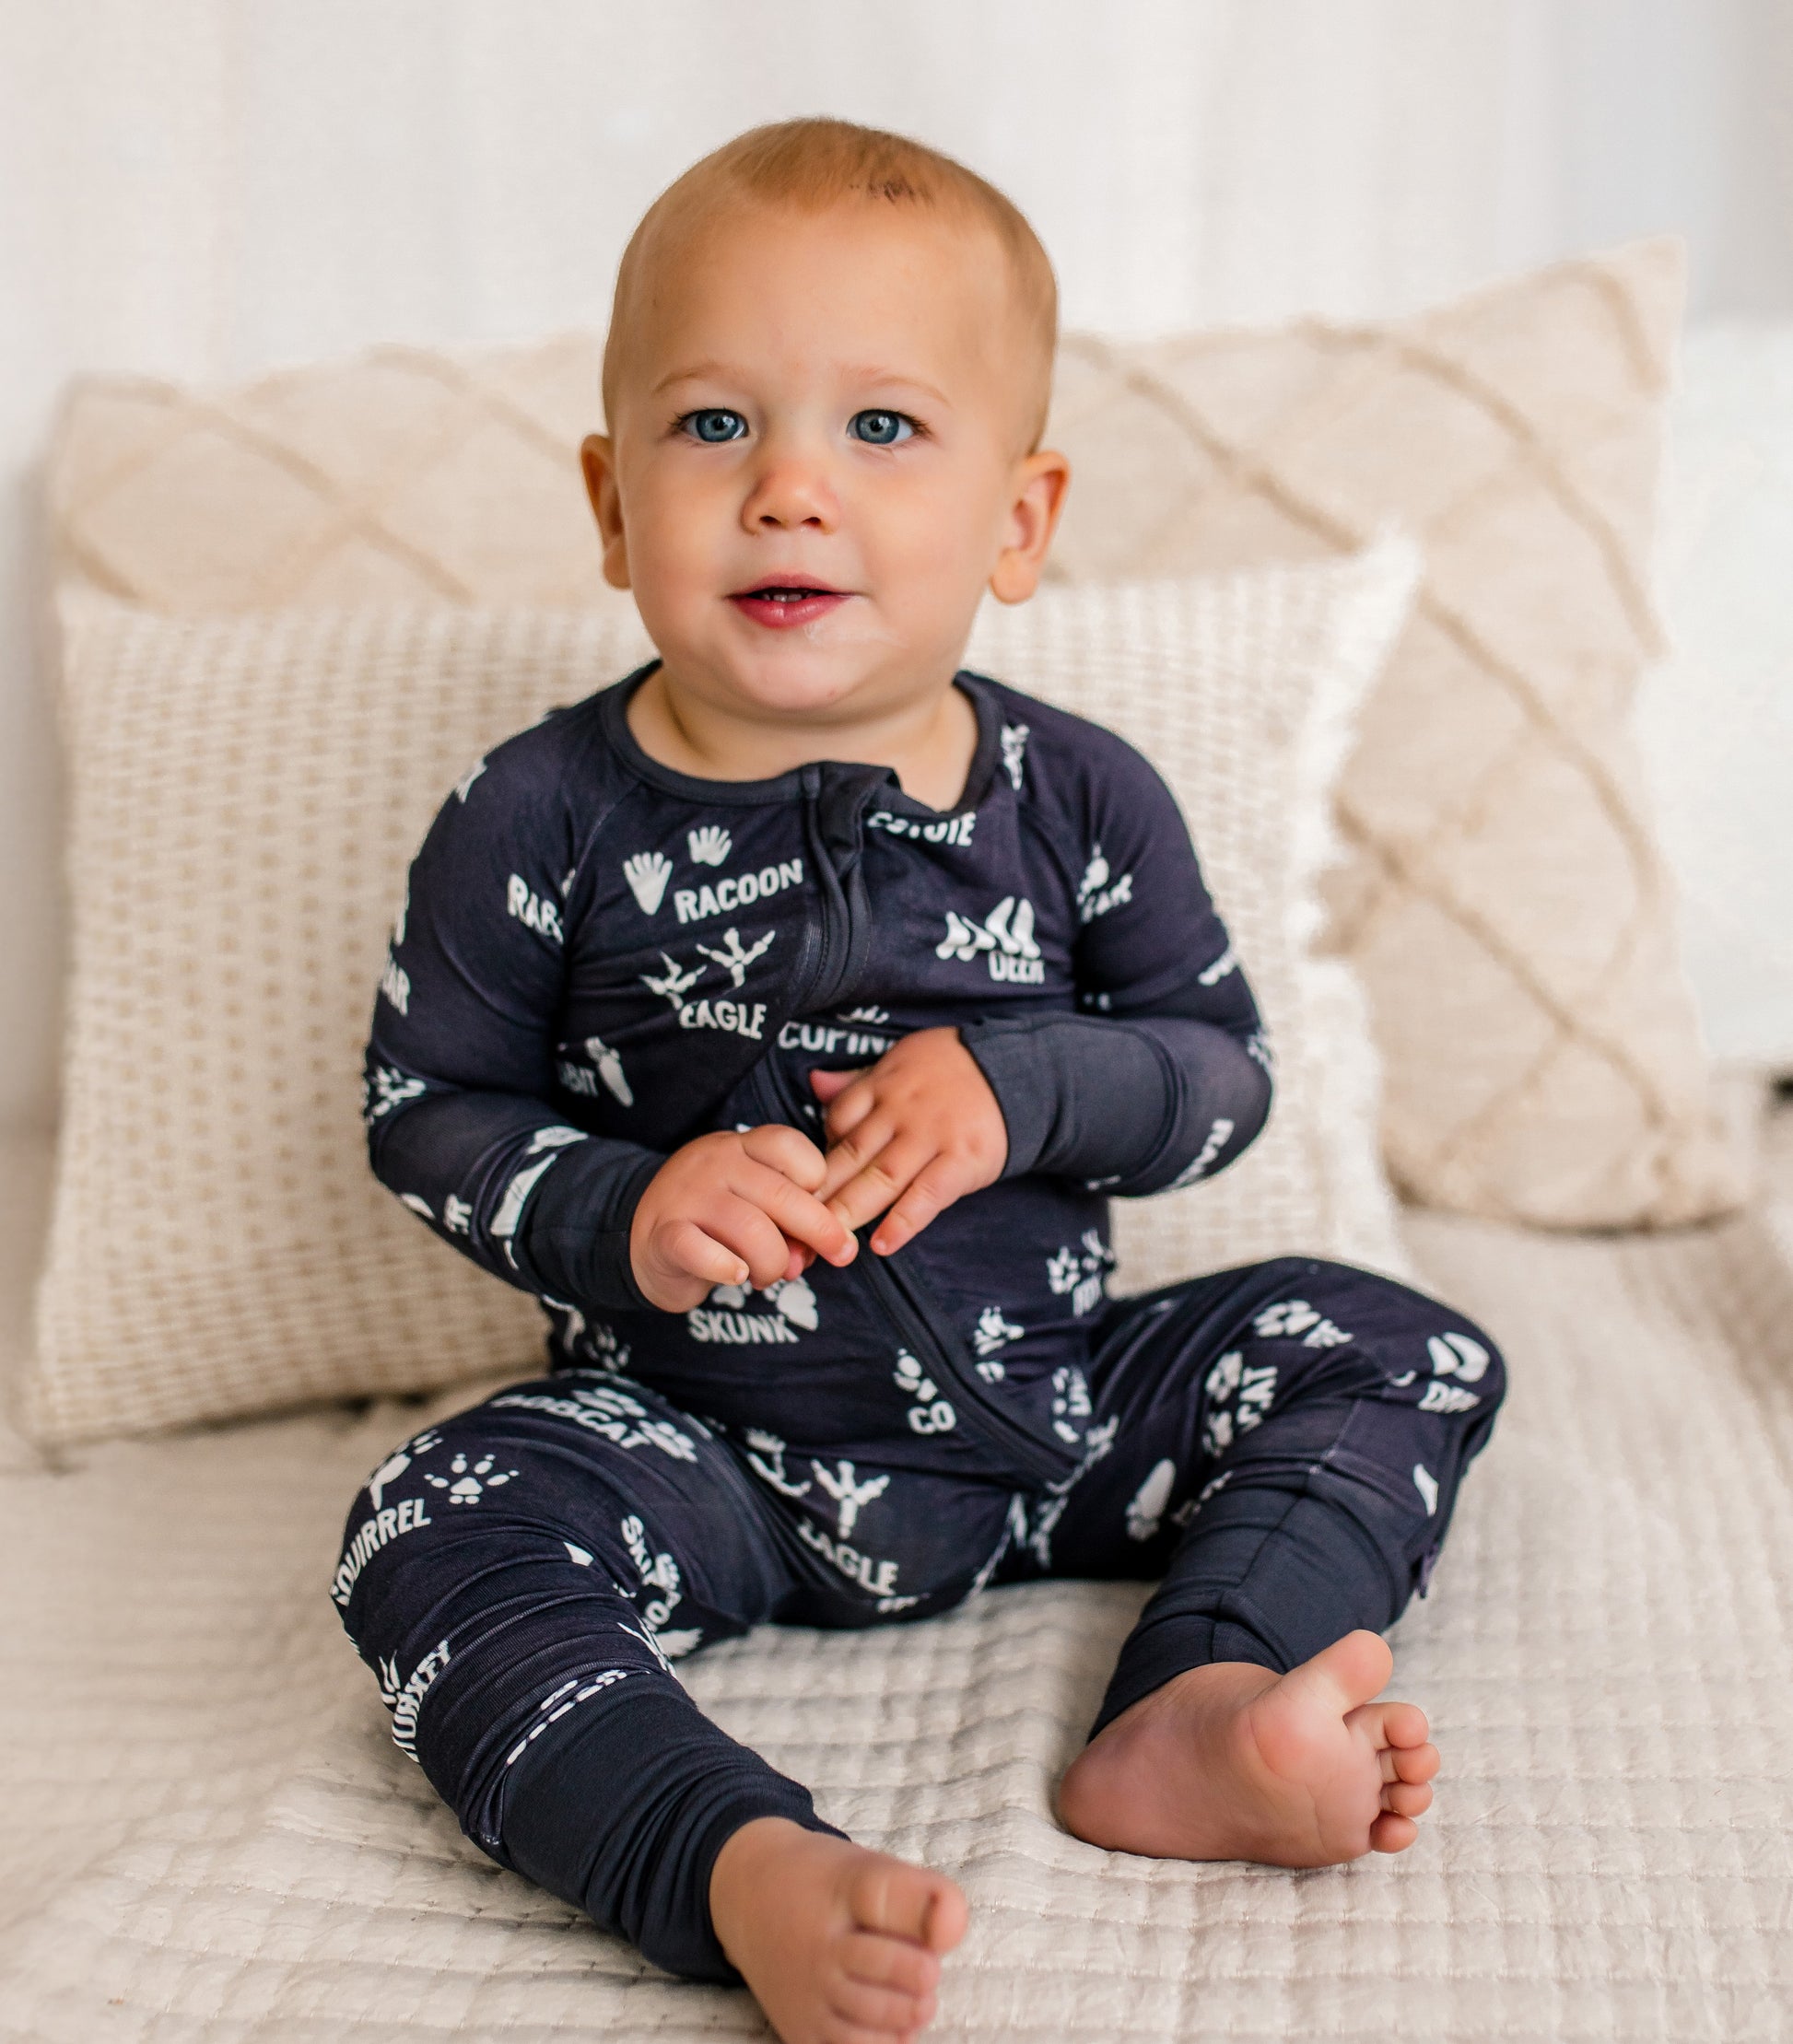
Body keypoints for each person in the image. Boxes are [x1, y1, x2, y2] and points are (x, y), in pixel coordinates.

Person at [333, 117, 1505, 2044]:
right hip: (700, 1452)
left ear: (1020, 520)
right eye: (714, 427)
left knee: (1402, 1346)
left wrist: (1024, 1087)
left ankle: (1193, 1706)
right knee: (422, 1521)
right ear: (612, 502)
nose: (791, 490)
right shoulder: (536, 810)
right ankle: (722, 1860)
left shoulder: (1079, 797)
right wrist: (625, 1209)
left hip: (1056, 1412)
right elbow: (424, 1107)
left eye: (882, 430)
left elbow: (1217, 1076)